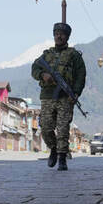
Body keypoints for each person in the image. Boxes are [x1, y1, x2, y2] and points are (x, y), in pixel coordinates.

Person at [31, 22, 86, 171]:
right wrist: (43, 75)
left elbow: (81, 75)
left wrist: (75, 92)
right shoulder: (46, 55)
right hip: (48, 96)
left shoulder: (74, 55)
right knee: (46, 127)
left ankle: (62, 158)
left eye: (62, 34)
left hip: (65, 98)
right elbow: (34, 68)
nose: (59, 36)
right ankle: (53, 148)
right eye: (56, 34)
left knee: (62, 128)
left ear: (67, 37)